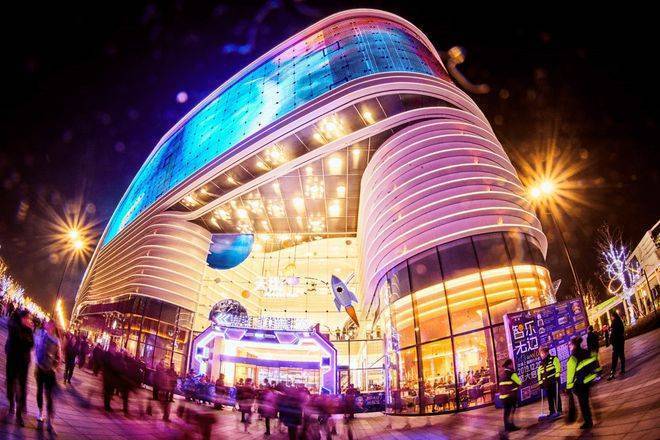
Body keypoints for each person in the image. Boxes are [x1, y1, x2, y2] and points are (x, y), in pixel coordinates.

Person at [5, 309, 34, 426]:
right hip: (12, 360)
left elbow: (31, 344)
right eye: (27, 318)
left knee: (22, 387)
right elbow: (18, 340)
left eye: (30, 318)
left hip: (24, 363)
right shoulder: (14, 327)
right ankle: (11, 404)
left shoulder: (29, 330)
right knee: (10, 383)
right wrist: (25, 340)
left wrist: (25, 340)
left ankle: (19, 415)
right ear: (22, 318)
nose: (29, 320)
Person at [34, 320, 61, 432]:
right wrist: (37, 363)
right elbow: (36, 349)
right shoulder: (41, 335)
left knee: (49, 396)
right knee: (39, 391)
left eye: (51, 325)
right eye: (48, 325)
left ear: (54, 327)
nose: (48, 327)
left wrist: (54, 366)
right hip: (40, 368)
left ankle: (50, 420)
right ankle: (40, 412)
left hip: (49, 372)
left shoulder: (56, 340)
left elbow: (59, 357)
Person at [566, 336, 598, 429]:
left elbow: (570, 374)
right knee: (586, 402)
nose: (569, 346)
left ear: (573, 345)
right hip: (589, 380)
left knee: (583, 404)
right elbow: (594, 362)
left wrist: (568, 388)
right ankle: (589, 419)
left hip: (580, 384)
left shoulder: (572, 358)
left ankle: (588, 422)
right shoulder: (587, 352)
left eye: (570, 344)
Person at [537, 346, 562, 418]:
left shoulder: (554, 358)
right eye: (540, 353)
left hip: (554, 381)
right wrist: (540, 383)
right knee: (549, 398)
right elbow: (539, 373)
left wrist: (557, 376)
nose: (541, 355)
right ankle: (552, 412)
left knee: (556, 396)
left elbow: (558, 367)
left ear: (546, 352)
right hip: (546, 384)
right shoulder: (541, 363)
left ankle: (559, 410)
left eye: (542, 353)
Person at [498, 358, 521, 432]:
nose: (513, 365)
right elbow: (519, 382)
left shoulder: (502, 374)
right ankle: (511, 426)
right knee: (511, 411)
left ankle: (507, 427)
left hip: (503, 397)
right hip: (510, 396)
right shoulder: (512, 373)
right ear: (509, 365)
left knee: (506, 412)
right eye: (512, 364)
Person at [608, 310, 625, 380]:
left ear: (613, 316)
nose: (611, 318)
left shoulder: (614, 323)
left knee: (614, 358)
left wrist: (611, 341)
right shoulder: (620, 321)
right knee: (621, 355)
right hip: (621, 341)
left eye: (611, 316)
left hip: (616, 343)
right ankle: (623, 369)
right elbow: (622, 330)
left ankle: (612, 373)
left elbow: (613, 334)